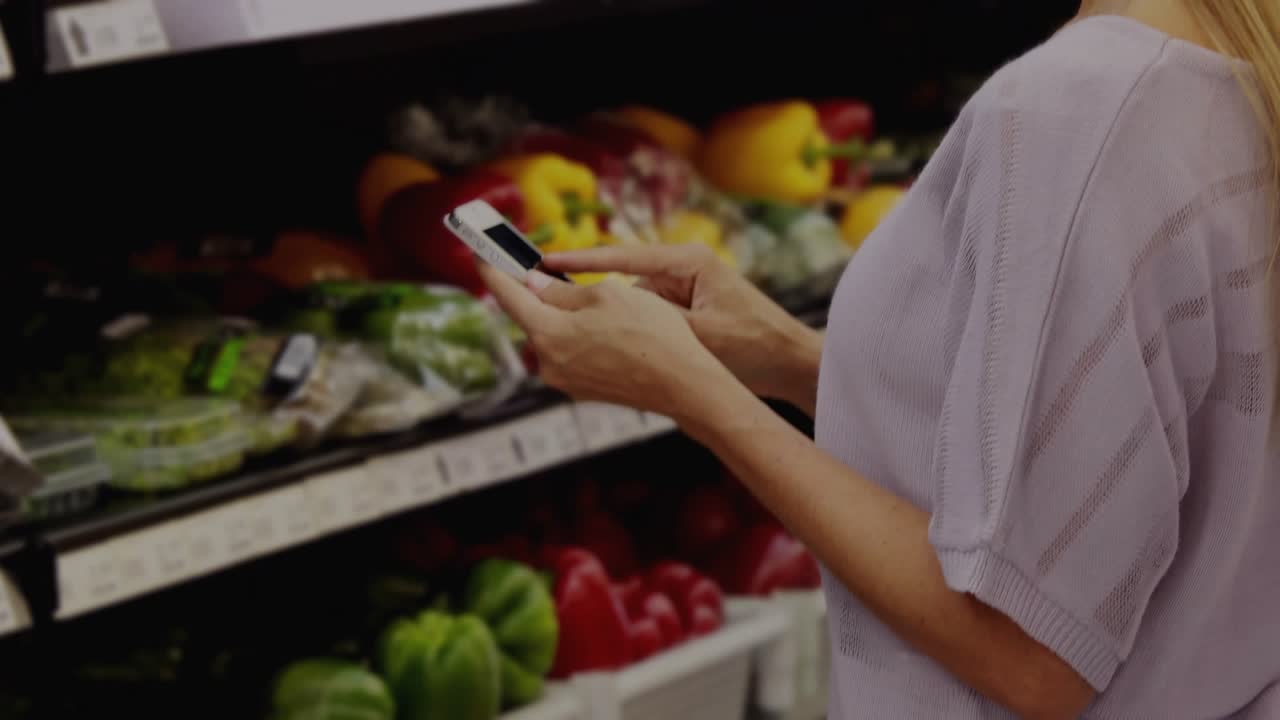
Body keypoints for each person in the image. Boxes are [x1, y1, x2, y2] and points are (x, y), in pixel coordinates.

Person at [480, 0, 1280, 716]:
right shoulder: (1243, 77)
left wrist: (699, 398)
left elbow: (1032, 653)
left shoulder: (1079, 110)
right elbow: (1144, 441)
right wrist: (789, 360)